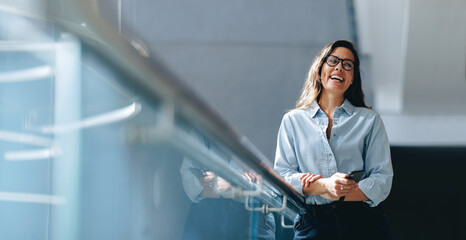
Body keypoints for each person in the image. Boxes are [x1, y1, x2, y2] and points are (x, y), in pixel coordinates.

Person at [274, 40, 393, 240]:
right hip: (313, 223)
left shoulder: (369, 120)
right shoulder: (293, 121)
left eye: (348, 65)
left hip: (364, 224)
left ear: (352, 78)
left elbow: (382, 181)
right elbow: (283, 177)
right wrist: (325, 185)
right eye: (333, 61)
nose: (340, 67)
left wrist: (335, 191)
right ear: (320, 70)